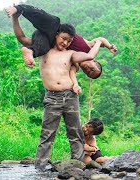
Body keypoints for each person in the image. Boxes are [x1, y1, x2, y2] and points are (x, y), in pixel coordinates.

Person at [29, 21, 102, 171]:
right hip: (52, 97)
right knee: (47, 133)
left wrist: (101, 42)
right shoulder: (44, 50)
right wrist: (16, 16)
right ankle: (40, 166)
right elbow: (23, 39)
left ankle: (77, 165)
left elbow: (90, 55)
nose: (66, 42)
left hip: (70, 95)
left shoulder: (71, 54)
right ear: (56, 35)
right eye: (64, 38)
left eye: (69, 40)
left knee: (75, 131)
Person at [5, 4, 117, 79]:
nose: (88, 70)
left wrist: (15, 18)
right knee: (48, 19)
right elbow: (100, 39)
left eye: (88, 73)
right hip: (56, 28)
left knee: (28, 43)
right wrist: (109, 46)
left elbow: (22, 39)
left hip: (48, 40)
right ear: (94, 61)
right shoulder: (89, 48)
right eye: (92, 69)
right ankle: (19, 8)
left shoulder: (75, 63)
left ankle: (30, 52)